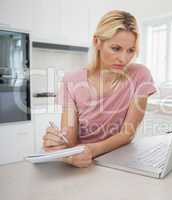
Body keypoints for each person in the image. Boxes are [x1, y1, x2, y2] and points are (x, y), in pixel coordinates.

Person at [42, 10, 157, 168]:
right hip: (82, 162)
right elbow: (70, 137)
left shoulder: (140, 75)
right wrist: (57, 143)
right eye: (116, 48)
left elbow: (127, 133)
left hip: (120, 161)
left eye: (130, 50)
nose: (123, 59)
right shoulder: (71, 80)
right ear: (97, 42)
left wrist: (91, 150)